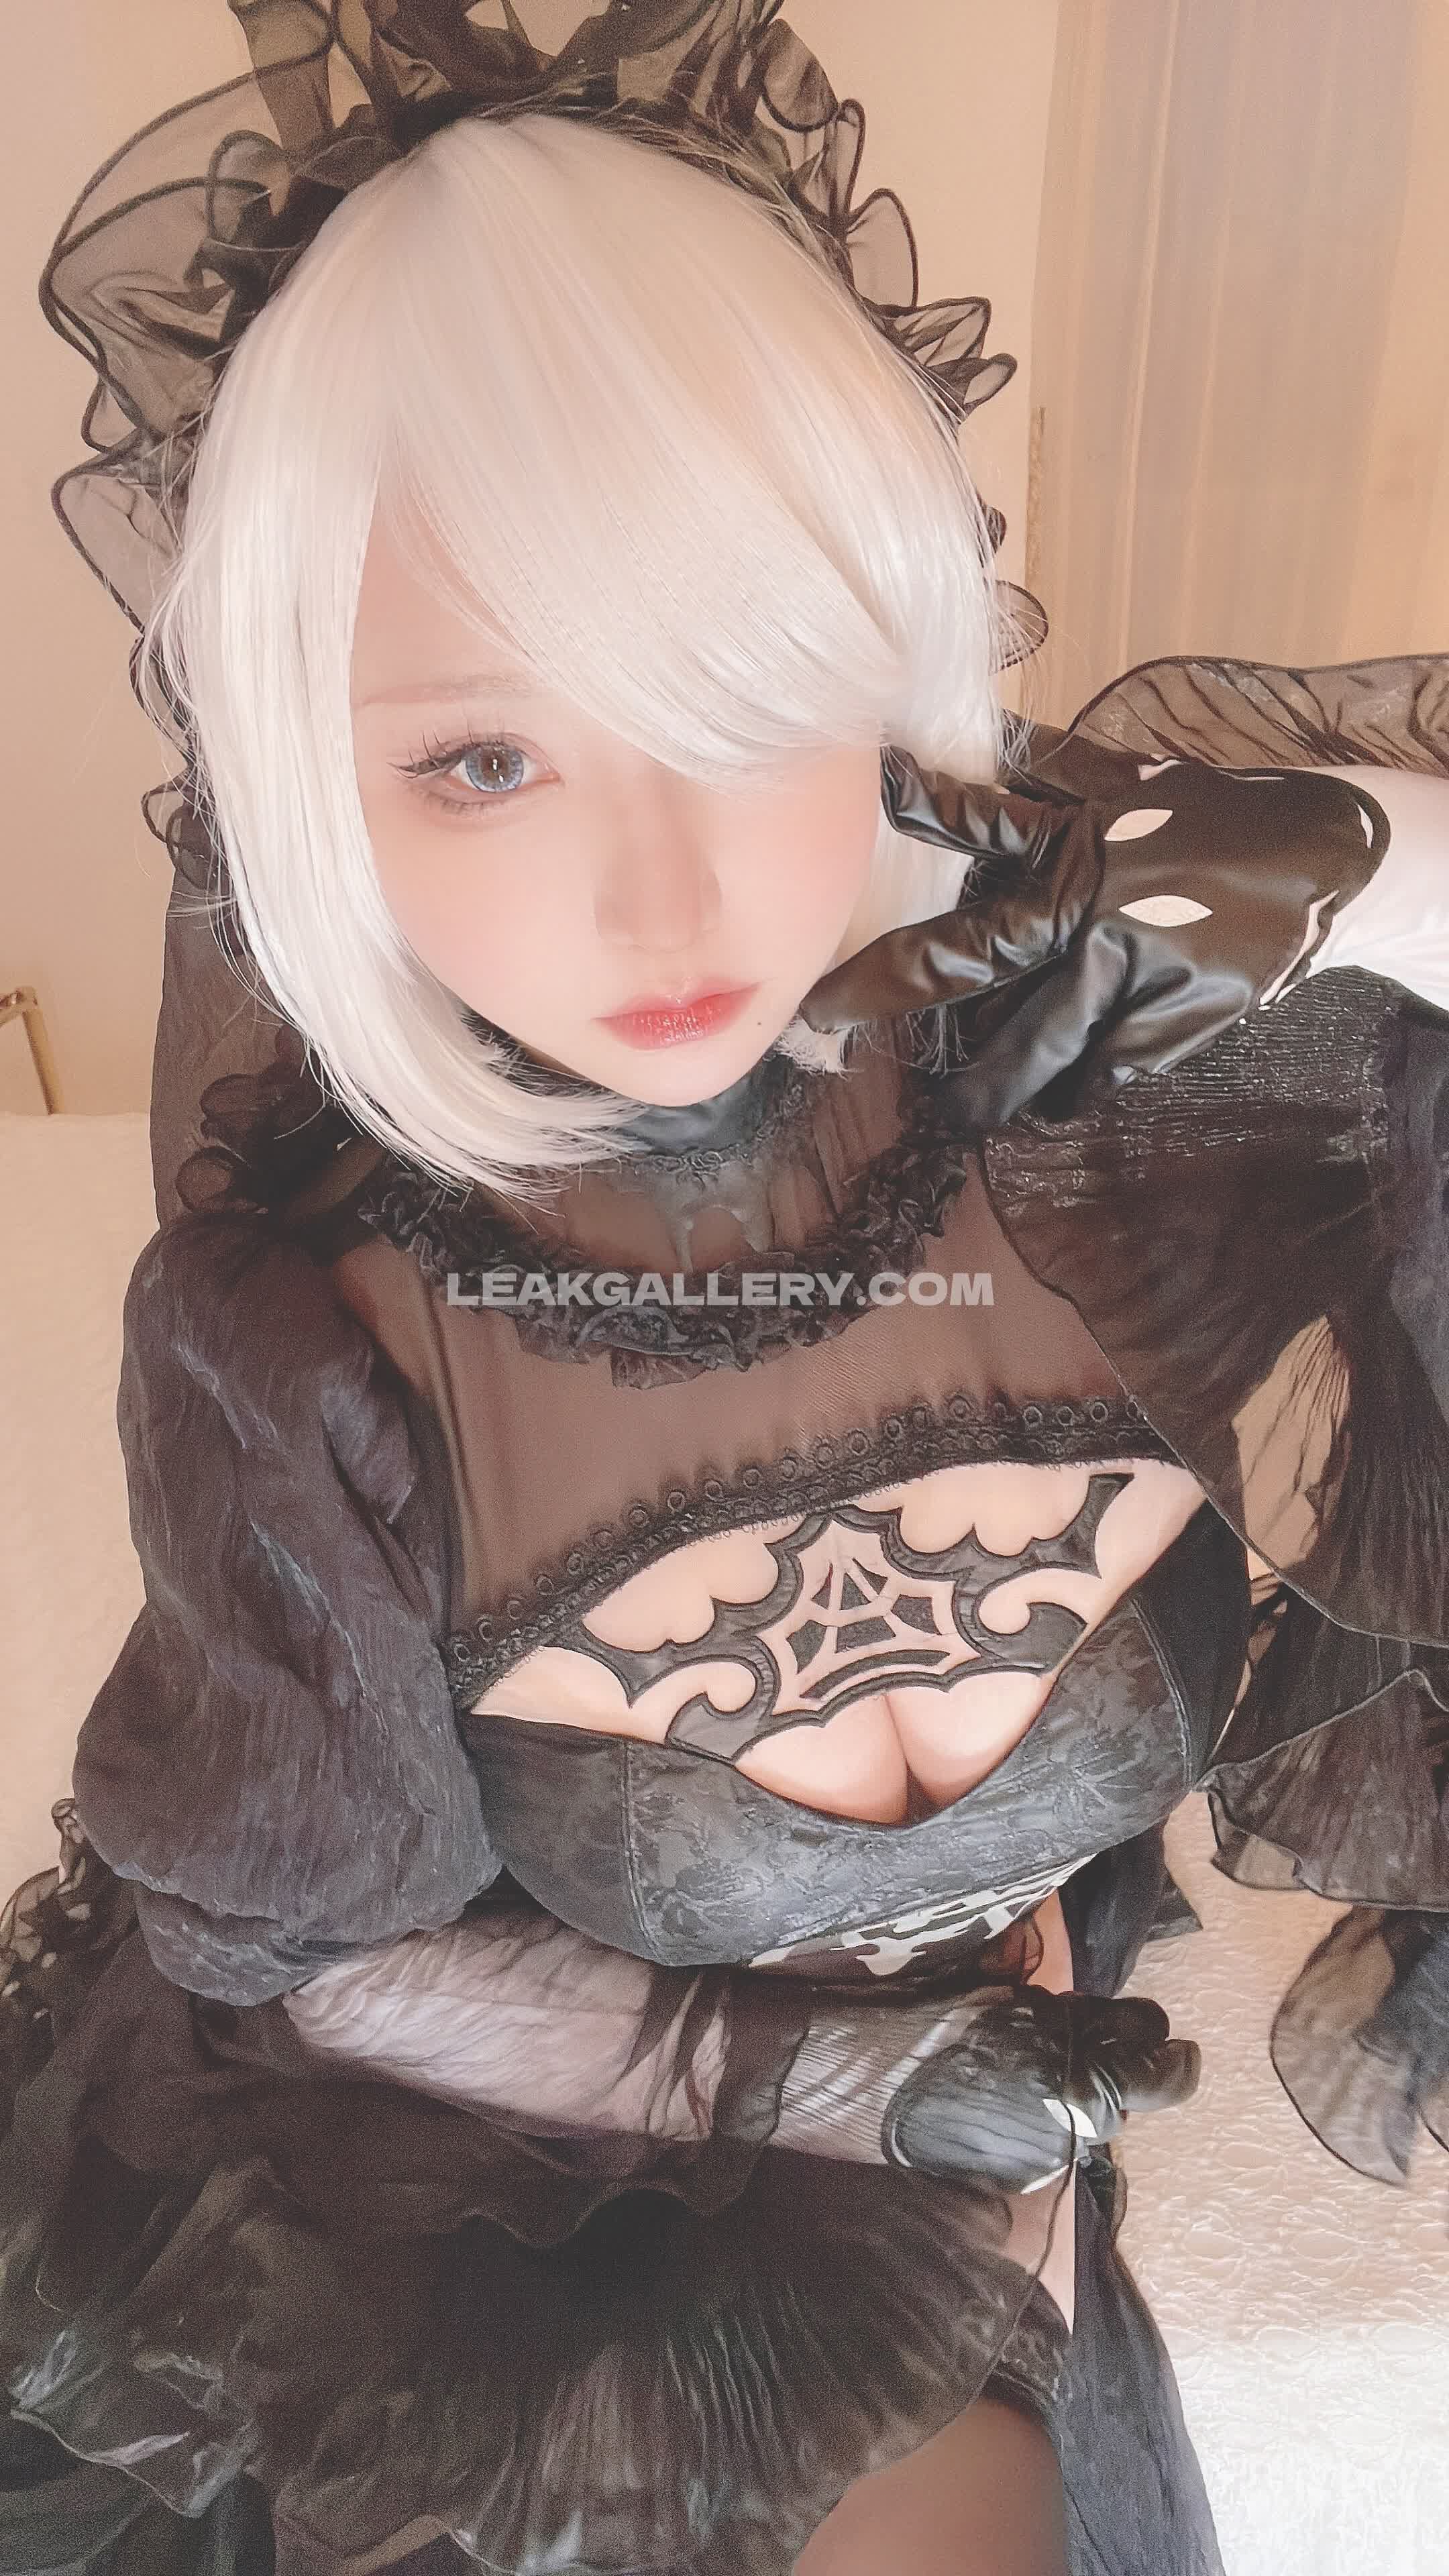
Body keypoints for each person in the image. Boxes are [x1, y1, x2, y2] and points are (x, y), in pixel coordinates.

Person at [3, 5, 1448, 2570]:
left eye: (739, 708)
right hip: (551, 2205)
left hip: (1027, 2137)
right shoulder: (301, 1348)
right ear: (299, 778)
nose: (658, 901)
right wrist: (833, 2090)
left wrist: (1372, 864)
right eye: (480, 760)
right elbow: (301, 1965)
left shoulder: (1162, 1105)